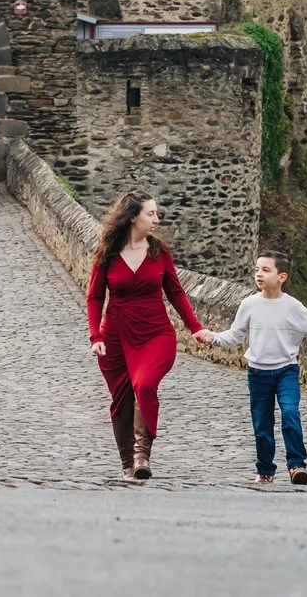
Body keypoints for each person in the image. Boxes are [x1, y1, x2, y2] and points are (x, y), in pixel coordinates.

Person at [195, 248, 307, 485]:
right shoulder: (249, 304)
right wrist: (212, 337)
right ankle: (265, 470)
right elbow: (234, 335)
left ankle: (297, 465)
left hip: (286, 370)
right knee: (262, 424)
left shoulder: (293, 307)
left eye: (266, 270)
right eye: (257, 269)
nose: (259, 274)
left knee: (290, 414)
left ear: (282, 277)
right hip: (258, 373)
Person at [87, 191, 202, 480]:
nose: (156, 219)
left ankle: (142, 456)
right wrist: (95, 337)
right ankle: (128, 464)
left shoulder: (158, 251)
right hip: (115, 335)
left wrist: (196, 327)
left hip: (156, 333)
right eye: (151, 214)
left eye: (156, 213)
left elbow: (175, 291)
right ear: (132, 216)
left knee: (145, 383)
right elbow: (95, 297)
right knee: (121, 399)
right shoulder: (108, 252)